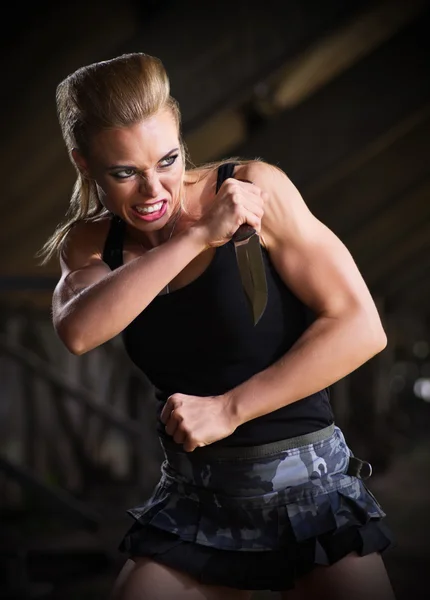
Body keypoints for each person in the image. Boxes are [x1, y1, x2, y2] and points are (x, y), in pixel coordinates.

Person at [39, 52, 395, 600]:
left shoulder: (253, 187)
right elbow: (79, 331)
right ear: (84, 164)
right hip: (197, 503)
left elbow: (361, 327)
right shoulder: (92, 244)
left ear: (183, 138)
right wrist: (197, 236)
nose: (154, 190)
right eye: (125, 172)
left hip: (311, 490)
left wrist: (228, 410)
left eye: (168, 160)